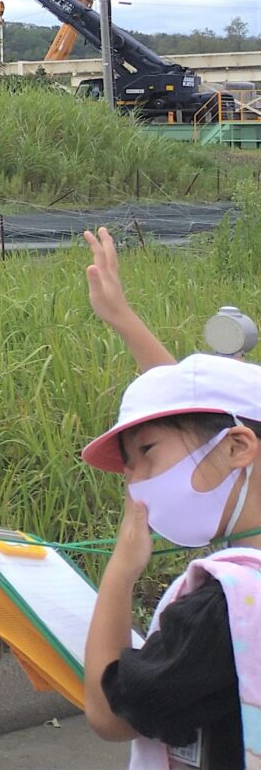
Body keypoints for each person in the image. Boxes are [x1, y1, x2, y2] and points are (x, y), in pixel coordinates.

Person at [80, 228, 260, 770]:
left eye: (145, 456)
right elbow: (197, 417)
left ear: (238, 449)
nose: (136, 482)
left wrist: (119, 574)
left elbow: (109, 715)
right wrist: (123, 317)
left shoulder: (223, 610)